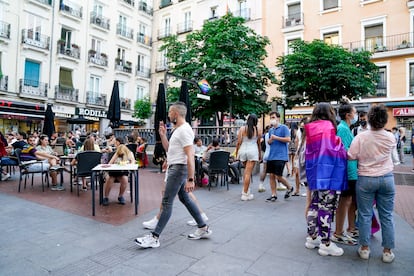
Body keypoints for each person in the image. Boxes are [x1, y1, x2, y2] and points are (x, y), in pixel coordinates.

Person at [135, 102, 212, 248]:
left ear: (176, 113)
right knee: (185, 198)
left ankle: (154, 237)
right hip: (176, 167)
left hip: (178, 170)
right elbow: (170, 149)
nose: (168, 114)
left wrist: (190, 178)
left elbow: (190, 155)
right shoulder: (179, 129)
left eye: (170, 112)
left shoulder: (183, 130)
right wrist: (163, 136)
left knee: (166, 202)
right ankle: (203, 227)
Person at [348, 104, 396, 263]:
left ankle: (364, 248)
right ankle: (387, 251)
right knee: (387, 216)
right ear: (385, 120)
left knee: (364, 214)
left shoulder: (361, 137)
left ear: (369, 119)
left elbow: (351, 156)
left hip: (366, 179)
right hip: (387, 178)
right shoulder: (390, 137)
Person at [304, 102, 347, 257]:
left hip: (315, 173)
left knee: (315, 204)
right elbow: (334, 149)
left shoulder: (310, 127)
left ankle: (312, 237)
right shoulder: (328, 126)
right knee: (326, 207)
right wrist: (341, 144)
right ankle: (326, 243)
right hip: (328, 175)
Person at [331, 101, 358, 246]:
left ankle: (347, 230)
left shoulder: (346, 128)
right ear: (348, 115)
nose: (355, 115)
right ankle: (338, 233)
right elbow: (343, 150)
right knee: (345, 201)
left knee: (349, 201)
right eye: (354, 112)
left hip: (351, 170)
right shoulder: (342, 129)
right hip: (348, 171)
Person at [265, 111, 294, 202]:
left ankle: (289, 187)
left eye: (273, 117)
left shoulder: (284, 128)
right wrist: (270, 140)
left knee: (278, 176)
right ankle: (274, 194)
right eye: (271, 117)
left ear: (278, 118)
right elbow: (269, 142)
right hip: (271, 155)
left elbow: (288, 139)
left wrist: (276, 138)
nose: (272, 119)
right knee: (271, 176)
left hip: (281, 156)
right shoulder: (271, 130)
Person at [235, 114, 261, 201]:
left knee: (246, 172)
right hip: (253, 151)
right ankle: (245, 193)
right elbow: (258, 143)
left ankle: (246, 190)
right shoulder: (257, 129)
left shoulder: (242, 129)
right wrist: (260, 154)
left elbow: (238, 142)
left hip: (243, 150)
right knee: (248, 173)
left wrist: (237, 153)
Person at [258, 125, 271, 193]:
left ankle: (261, 185)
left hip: (266, 153)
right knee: (275, 172)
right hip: (272, 154)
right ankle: (279, 184)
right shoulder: (272, 135)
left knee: (264, 170)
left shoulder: (266, 135)